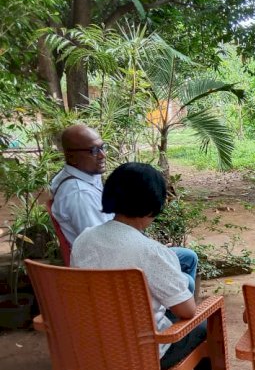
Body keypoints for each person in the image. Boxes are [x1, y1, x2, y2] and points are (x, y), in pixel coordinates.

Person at [70, 163, 217, 370]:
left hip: (89, 351)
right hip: (140, 357)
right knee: (206, 323)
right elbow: (186, 311)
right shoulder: (150, 252)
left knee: (175, 289)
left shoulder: (84, 240)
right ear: (154, 204)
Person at [50, 124, 199, 293]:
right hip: (112, 271)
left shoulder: (79, 178)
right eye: (93, 151)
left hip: (117, 253)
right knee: (186, 282)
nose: (102, 155)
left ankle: (168, 304)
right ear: (71, 156)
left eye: (102, 147)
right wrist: (149, 250)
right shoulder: (79, 194)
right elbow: (104, 246)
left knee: (188, 257)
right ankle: (168, 313)